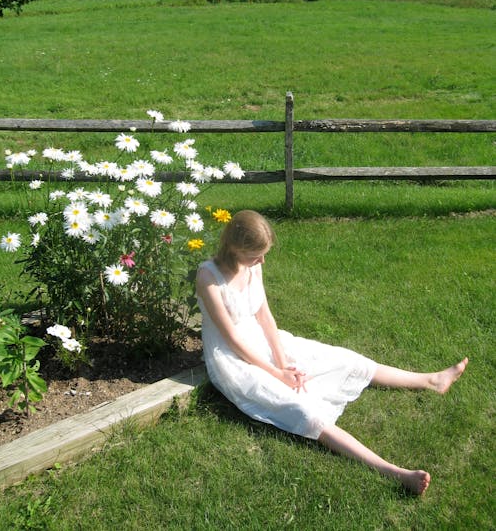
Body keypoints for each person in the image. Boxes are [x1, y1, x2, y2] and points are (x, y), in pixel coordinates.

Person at [196, 210, 468, 495]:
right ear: (234, 248)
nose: (262, 261)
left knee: (345, 359)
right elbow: (233, 339)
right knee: (305, 411)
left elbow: (265, 317)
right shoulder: (209, 277)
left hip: (266, 342)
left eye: (264, 255)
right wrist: (277, 374)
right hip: (234, 360)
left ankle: (431, 380)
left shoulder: (253, 266)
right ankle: (395, 472)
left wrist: (282, 360)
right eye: (255, 255)